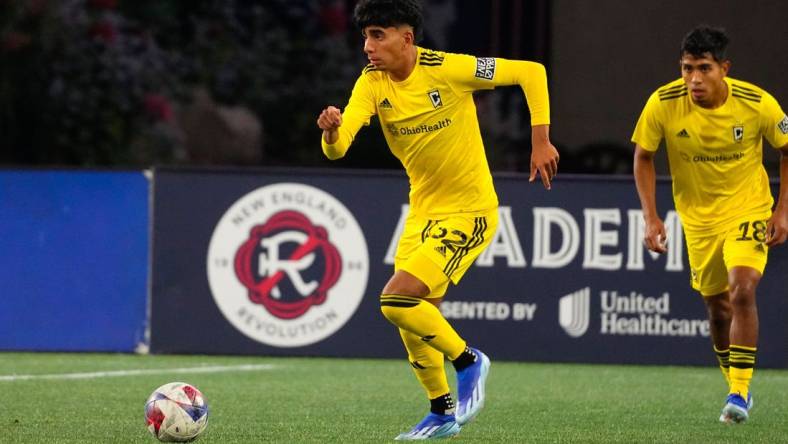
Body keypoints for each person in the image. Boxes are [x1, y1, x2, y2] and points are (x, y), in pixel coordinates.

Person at [317, 0, 559, 439]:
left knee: (395, 300)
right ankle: (442, 412)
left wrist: (540, 140)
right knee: (414, 317)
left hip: (469, 210)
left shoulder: (449, 68)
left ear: (406, 38)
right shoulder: (371, 85)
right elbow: (338, 148)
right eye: (366, 36)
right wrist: (332, 130)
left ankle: (469, 361)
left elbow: (531, 71)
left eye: (378, 35)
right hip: (422, 213)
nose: (368, 46)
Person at [632, 25, 788, 424]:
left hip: (748, 209)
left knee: (742, 288)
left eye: (703, 68)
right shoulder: (663, 103)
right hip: (698, 220)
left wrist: (782, 210)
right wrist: (651, 217)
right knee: (717, 308)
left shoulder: (757, 103)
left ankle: (738, 392)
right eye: (687, 69)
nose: (694, 79)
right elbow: (644, 157)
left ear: (724, 69)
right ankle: (734, 385)